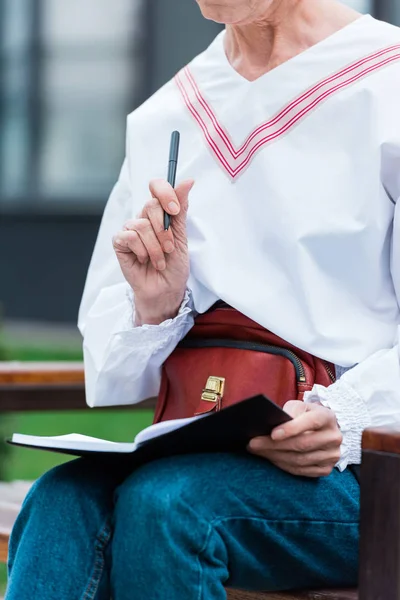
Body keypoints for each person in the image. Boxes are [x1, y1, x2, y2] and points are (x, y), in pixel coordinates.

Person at [6, 0, 400, 598]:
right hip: (214, 445)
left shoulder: (386, 82)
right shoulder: (169, 111)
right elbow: (109, 363)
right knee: (61, 499)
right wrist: (156, 305)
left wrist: (344, 418)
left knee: (170, 505)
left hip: (371, 470)